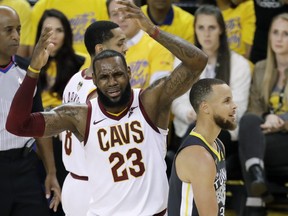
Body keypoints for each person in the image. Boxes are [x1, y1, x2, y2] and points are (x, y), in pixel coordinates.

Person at [6, 0, 208, 215]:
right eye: (104, 77)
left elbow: (197, 61)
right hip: (92, 195)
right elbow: (18, 125)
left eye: (118, 74)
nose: (111, 82)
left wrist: (152, 30)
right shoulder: (79, 116)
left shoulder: (149, 102)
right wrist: (33, 70)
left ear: (129, 73)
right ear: (95, 79)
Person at [61, 20, 127, 216]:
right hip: (96, 188)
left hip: (73, 183)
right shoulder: (102, 92)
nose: (126, 48)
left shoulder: (75, 80)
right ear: (100, 49)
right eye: (120, 43)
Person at [0, 5, 61, 216]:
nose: (16, 36)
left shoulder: (30, 69)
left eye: (18, 29)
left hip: (26, 166)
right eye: (8, 30)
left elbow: (39, 124)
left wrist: (51, 172)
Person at [171, 5, 251, 158]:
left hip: (224, 132)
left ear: (221, 29)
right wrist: (190, 114)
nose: (206, 34)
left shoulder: (239, 64)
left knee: (201, 135)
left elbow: (239, 107)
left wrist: (208, 117)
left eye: (212, 28)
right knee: (195, 132)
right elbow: (176, 101)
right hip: (189, 127)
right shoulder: (183, 62)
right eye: (201, 28)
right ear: (195, 30)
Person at [35, 9, 86, 216]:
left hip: (70, 136)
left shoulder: (82, 63)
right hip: (37, 139)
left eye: (59, 30)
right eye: (48, 30)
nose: (54, 35)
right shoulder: (29, 66)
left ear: (67, 34)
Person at [238, 12, 288, 216]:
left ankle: (256, 197)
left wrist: (282, 122)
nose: (278, 38)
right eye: (275, 32)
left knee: (247, 147)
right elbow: (254, 107)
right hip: (264, 134)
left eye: (285, 34)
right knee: (248, 119)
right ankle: (257, 176)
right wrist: (266, 119)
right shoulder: (260, 68)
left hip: (284, 138)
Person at [168, 78, 237, 216]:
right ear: (205, 108)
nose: (234, 106)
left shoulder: (217, 145)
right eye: (226, 101)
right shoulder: (198, 156)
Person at [107, 0, 175, 88]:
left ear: (139, 14)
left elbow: (159, 91)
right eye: (115, 14)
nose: (121, 18)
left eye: (126, 12)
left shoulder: (158, 45)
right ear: (109, 18)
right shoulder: (102, 48)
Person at [27, 0, 109, 59]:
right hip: (50, 71)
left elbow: (109, 45)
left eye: (59, 30)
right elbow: (35, 50)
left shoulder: (101, 3)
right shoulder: (41, 6)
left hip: (93, 70)